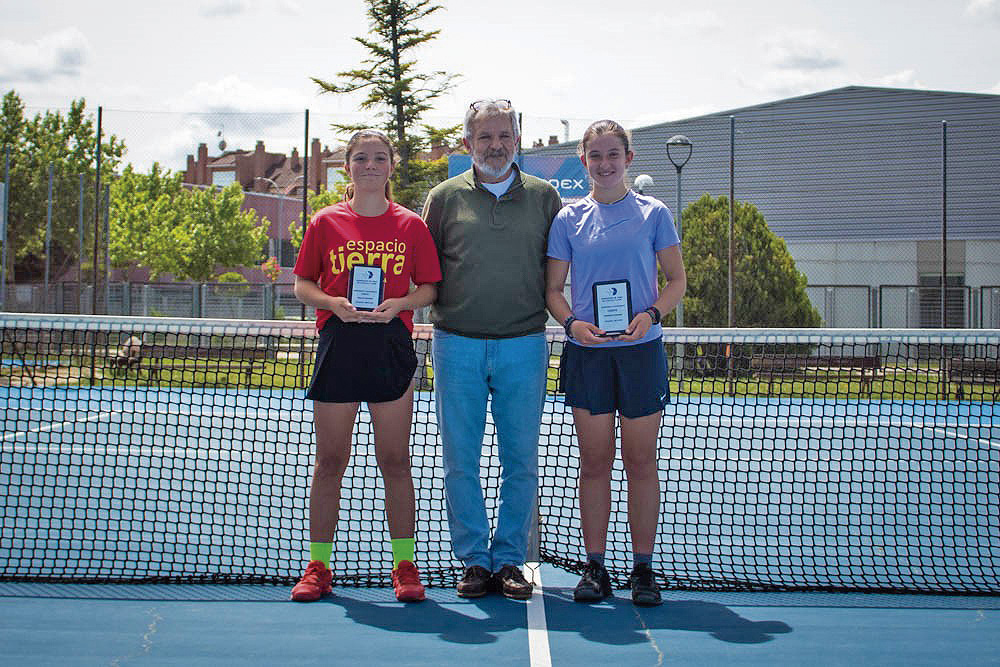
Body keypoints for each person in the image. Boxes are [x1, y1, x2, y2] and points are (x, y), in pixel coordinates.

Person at [290, 129, 442, 603]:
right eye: (361, 158)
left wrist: (399, 300)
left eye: (379, 158)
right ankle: (318, 566)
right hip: (339, 343)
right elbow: (302, 285)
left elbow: (429, 289)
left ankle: (405, 565)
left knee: (395, 460)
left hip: (390, 345)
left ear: (391, 166)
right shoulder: (325, 222)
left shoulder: (411, 225)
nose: (370, 165)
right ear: (348, 166)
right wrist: (333, 303)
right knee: (330, 460)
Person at [422, 99, 562, 600]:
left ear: (517, 140)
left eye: (504, 136)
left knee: (520, 458)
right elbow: (426, 271)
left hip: (525, 344)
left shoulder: (547, 198)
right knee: (460, 457)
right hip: (455, 344)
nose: (495, 145)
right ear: (467, 144)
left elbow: (560, 271)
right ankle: (475, 561)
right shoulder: (442, 198)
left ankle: (508, 560)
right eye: (485, 137)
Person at [545, 119, 687, 606]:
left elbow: (675, 282)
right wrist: (572, 326)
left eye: (613, 154)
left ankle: (643, 568)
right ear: (583, 160)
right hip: (588, 357)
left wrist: (650, 315)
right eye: (595, 155)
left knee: (641, 463)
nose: (604, 164)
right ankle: (595, 567)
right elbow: (552, 291)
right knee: (595, 463)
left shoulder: (654, 213)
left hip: (640, 355)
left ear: (628, 158)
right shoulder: (567, 219)